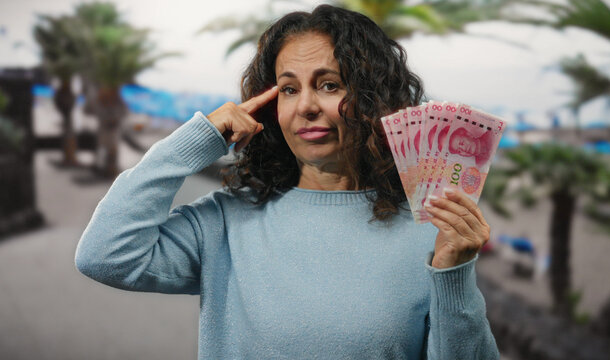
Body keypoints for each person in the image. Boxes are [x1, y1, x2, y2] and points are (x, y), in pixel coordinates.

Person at [75, 5, 498, 359]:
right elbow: (105, 255)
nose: (307, 107)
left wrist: (455, 275)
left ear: (373, 97)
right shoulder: (225, 222)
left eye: (329, 85)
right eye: (288, 90)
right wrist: (196, 141)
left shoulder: (430, 231)